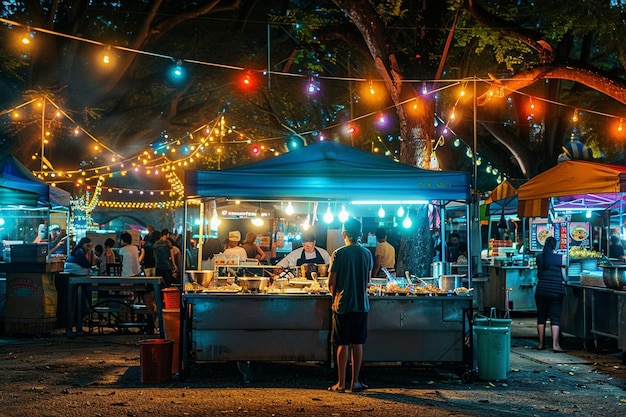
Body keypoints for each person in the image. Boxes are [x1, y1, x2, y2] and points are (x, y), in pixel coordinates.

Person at [328, 218, 373, 393]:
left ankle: (340, 384)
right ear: (361, 234)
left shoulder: (338, 253)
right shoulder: (367, 254)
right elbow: (368, 280)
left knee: (342, 343)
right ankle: (355, 382)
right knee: (358, 343)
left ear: (343, 234)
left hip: (343, 304)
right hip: (361, 304)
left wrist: (334, 300)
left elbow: (331, 281)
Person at [535, 236, 566, 352]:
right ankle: (555, 345)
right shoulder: (560, 258)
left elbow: (539, 273)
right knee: (555, 319)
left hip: (541, 290)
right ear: (555, 246)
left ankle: (541, 344)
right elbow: (564, 275)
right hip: (556, 291)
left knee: (541, 318)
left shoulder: (539, 258)